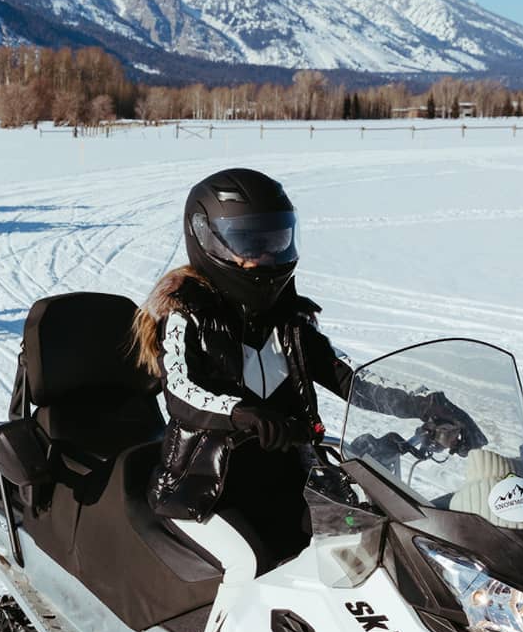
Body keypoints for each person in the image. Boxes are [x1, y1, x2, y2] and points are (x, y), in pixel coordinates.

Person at [131, 169, 355, 577]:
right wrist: (240, 414)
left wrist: (420, 399)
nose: (264, 257)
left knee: (351, 546)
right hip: (205, 487)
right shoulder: (186, 314)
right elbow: (182, 390)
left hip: (289, 477)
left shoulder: (291, 320)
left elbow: (345, 372)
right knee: (251, 565)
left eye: (274, 240)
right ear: (207, 238)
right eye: (249, 241)